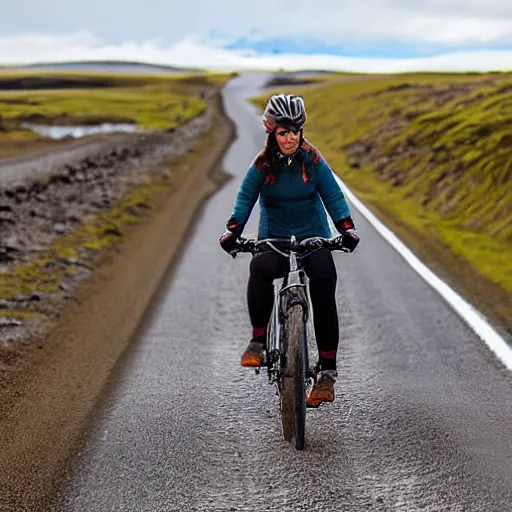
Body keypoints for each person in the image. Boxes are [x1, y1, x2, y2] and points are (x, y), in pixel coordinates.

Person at [219, 93, 360, 407]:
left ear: (301, 131)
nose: (290, 138)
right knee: (260, 268)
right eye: (283, 132)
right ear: (272, 132)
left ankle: (326, 373)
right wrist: (232, 232)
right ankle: (257, 341)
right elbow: (244, 200)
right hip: (275, 234)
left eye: (295, 131)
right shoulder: (262, 164)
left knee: (324, 279)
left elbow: (333, 196)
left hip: (313, 233)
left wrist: (346, 228)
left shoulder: (313, 160)